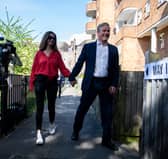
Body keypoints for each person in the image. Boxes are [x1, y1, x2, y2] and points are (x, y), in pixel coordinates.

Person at [69, 22, 119, 151]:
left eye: (108, 31)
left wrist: (114, 84)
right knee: (82, 109)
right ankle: (75, 131)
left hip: (106, 85)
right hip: (91, 83)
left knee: (107, 113)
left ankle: (106, 140)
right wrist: (72, 76)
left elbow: (115, 69)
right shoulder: (88, 47)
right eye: (103, 31)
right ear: (97, 33)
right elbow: (80, 63)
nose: (106, 33)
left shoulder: (113, 49)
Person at [29, 31, 70, 145]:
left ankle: (52, 123)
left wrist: (71, 76)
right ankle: (38, 133)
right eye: (49, 38)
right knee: (40, 108)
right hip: (40, 81)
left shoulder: (56, 54)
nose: (51, 40)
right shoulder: (39, 54)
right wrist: (31, 84)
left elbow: (63, 68)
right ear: (45, 39)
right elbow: (33, 70)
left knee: (51, 106)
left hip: (52, 82)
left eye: (53, 39)